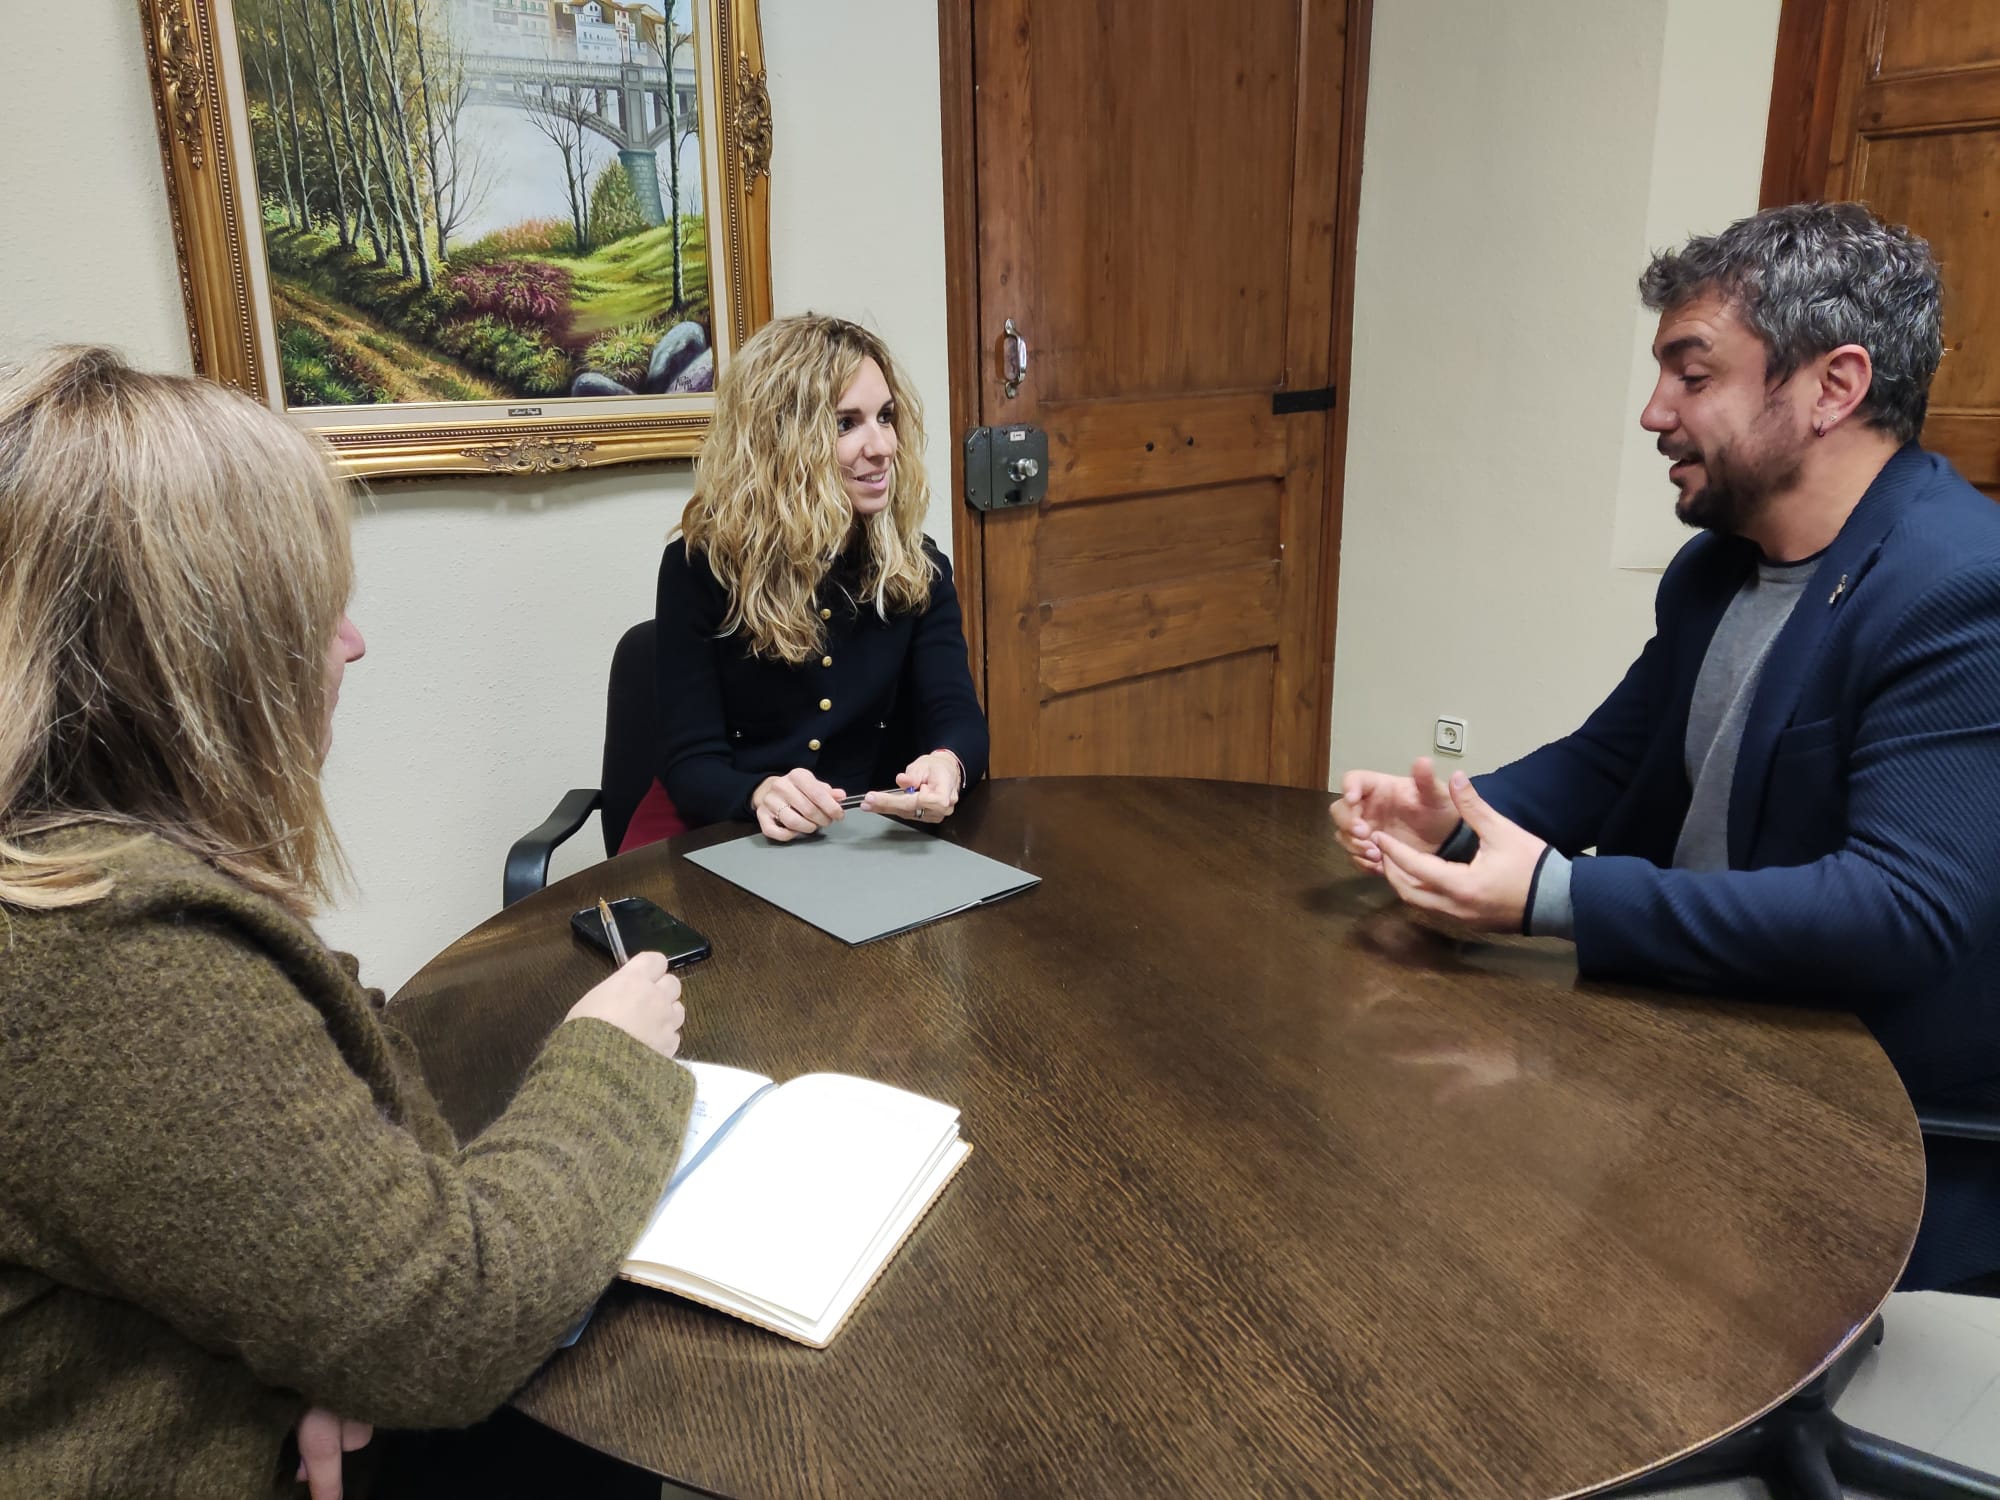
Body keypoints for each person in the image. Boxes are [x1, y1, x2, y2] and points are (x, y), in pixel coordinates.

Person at [0, 347, 693, 1498]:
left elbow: (214, 1203)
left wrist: (300, 1359)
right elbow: (452, 1313)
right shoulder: (111, 954)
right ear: (204, 658)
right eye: (318, 612)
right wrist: (608, 1056)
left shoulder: (74, 878)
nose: (353, 646)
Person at [1331, 202, 2000, 1292]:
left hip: (1855, 1086)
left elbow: (1899, 912)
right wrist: (1456, 813)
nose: (1652, 412)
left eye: (1692, 377)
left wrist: (1552, 898)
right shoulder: (1718, 568)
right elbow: (1612, 762)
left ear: (1831, 387)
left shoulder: (1959, 589)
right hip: (1697, 1016)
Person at [629, 313, 989, 850]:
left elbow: (957, 715)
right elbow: (692, 763)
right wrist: (757, 793)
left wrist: (948, 763)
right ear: (782, 441)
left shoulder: (918, 569)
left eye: (885, 417)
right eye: (847, 423)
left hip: (859, 832)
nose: (883, 445)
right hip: (730, 829)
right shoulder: (700, 568)